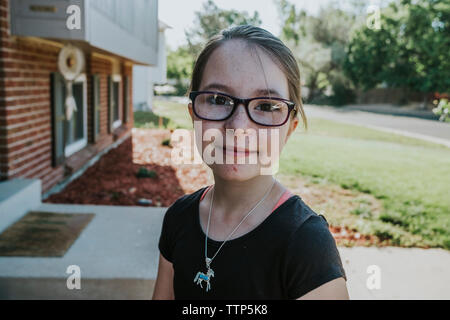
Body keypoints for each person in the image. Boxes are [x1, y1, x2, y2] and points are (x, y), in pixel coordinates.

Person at [153, 25, 349, 300]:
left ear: (289, 129)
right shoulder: (178, 218)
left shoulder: (305, 244)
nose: (238, 127)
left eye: (267, 106)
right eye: (219, 99)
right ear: (194, 115)